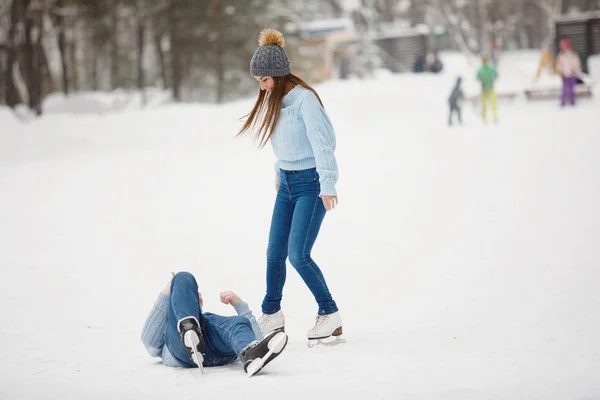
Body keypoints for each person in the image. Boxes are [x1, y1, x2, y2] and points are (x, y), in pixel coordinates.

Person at [237, 28, 343, 343]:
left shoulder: (304, 100)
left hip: (311, 184)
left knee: (298, 255)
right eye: (258, 81)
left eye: (264, 80)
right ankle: (271, 315)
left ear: (279, 75)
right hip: (286, 184)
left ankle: (330, 313)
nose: (261, 86)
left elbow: (323, 142)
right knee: (274, 252)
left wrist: (328, 183)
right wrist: (278, 175)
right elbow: (284, 146)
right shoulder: (275, 99)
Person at [141, 272, 288, 377]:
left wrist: (240, 305)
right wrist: (169, 291)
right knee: (183, 277)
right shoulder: (170, 328)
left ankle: (250, 353)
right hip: (182, 351)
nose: (195, 295)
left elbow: (256, 338)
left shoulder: (213, 324)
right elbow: (150, 343)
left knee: (238, 323)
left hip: (216, 345)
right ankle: (188, 327)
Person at [556, 39, 582, 107]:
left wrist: (575, 71)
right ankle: (563, 102)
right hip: (564, 74)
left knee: (572, 88)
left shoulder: (573, 54)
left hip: (572, 74)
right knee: (564, 88)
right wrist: (561, 71)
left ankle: (572, 101)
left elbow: (576, 64)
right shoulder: (561, 55)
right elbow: (559, 64)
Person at [476, 57, 499, 123]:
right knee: (484, 105)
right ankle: (484, 119)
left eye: (485, 60)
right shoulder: (480, 70)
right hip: (484, 89)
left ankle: (495, 117)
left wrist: (493, 77)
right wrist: (480, 79)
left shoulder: (490, 69)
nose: (484, 62)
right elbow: (477, 77)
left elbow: (496, 74)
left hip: (491, 88)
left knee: (493, 104)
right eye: (483, 61)